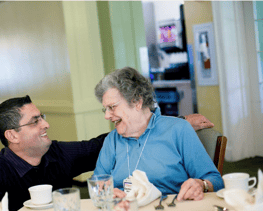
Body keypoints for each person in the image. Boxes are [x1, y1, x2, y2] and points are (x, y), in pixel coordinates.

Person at [0, 95, 214, 211]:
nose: (45, 125)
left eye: (43, 117)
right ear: (12, 136)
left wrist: (173, 123)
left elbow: (103, 143)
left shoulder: (57, 154)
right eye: (35, 121)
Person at [92, 66, 224, 202]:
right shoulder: (112, 140)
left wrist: (201, 185)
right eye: (105, 109)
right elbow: (97, 184)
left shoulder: (178, 130)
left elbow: (215, 180)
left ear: (137, 102)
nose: (107, 115)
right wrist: (105, 192)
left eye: (112, 107)